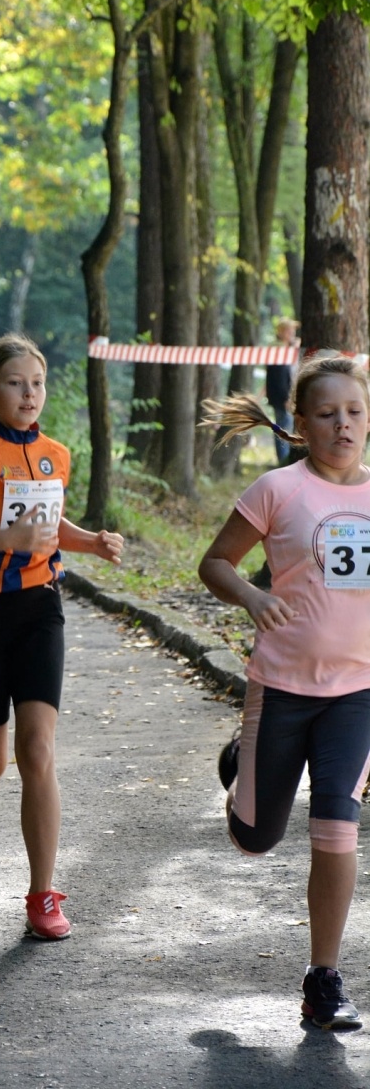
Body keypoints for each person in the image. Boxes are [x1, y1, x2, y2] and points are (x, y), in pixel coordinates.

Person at [0, 334, 125, 940]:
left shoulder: (55, 454)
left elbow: (46, 518)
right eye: (15, 383)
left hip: (40, 610)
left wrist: (89, 541)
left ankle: (42, 895)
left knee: (36, 752)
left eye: (36, 382)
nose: (29, 393)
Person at [198, 353, 370, 1031]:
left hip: (356, 693)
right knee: (255, 838)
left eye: (354, 412)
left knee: (336, 826)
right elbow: (214, 562)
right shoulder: (277, 489)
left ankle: (322, 979)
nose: (343, 425)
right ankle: (243, 763)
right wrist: (249, 596)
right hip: (281, 687)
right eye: (326, 414)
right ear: (298, 424)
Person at [265, 317, 300, 465]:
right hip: (282, 397)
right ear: (281, 332)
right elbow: (279, 377)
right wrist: (286, 398)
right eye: (289, 330)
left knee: (286, 427)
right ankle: (284, 462)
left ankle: (284, 461)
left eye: (293, 330)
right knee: (284, 429)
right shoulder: (278, 350)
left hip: (283, 396)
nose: (292, 333)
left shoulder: (286, 349)